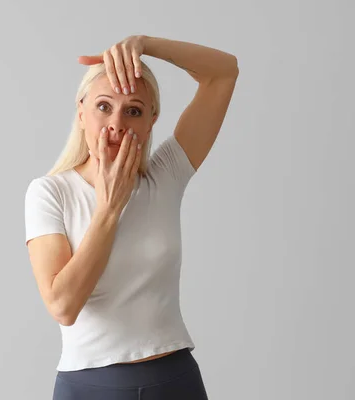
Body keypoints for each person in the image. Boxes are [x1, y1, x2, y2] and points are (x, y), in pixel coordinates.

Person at [24, 35, 239, 400]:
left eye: (134, 110)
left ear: (152, 119)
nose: (116, 124)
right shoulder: (50, 192)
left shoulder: (166, 175)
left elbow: (223, 73)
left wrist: (145, 44)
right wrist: (109, 208)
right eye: (103, 106)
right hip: (90, 387)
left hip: (175, 381)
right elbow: (63, 306)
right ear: (81, 110)